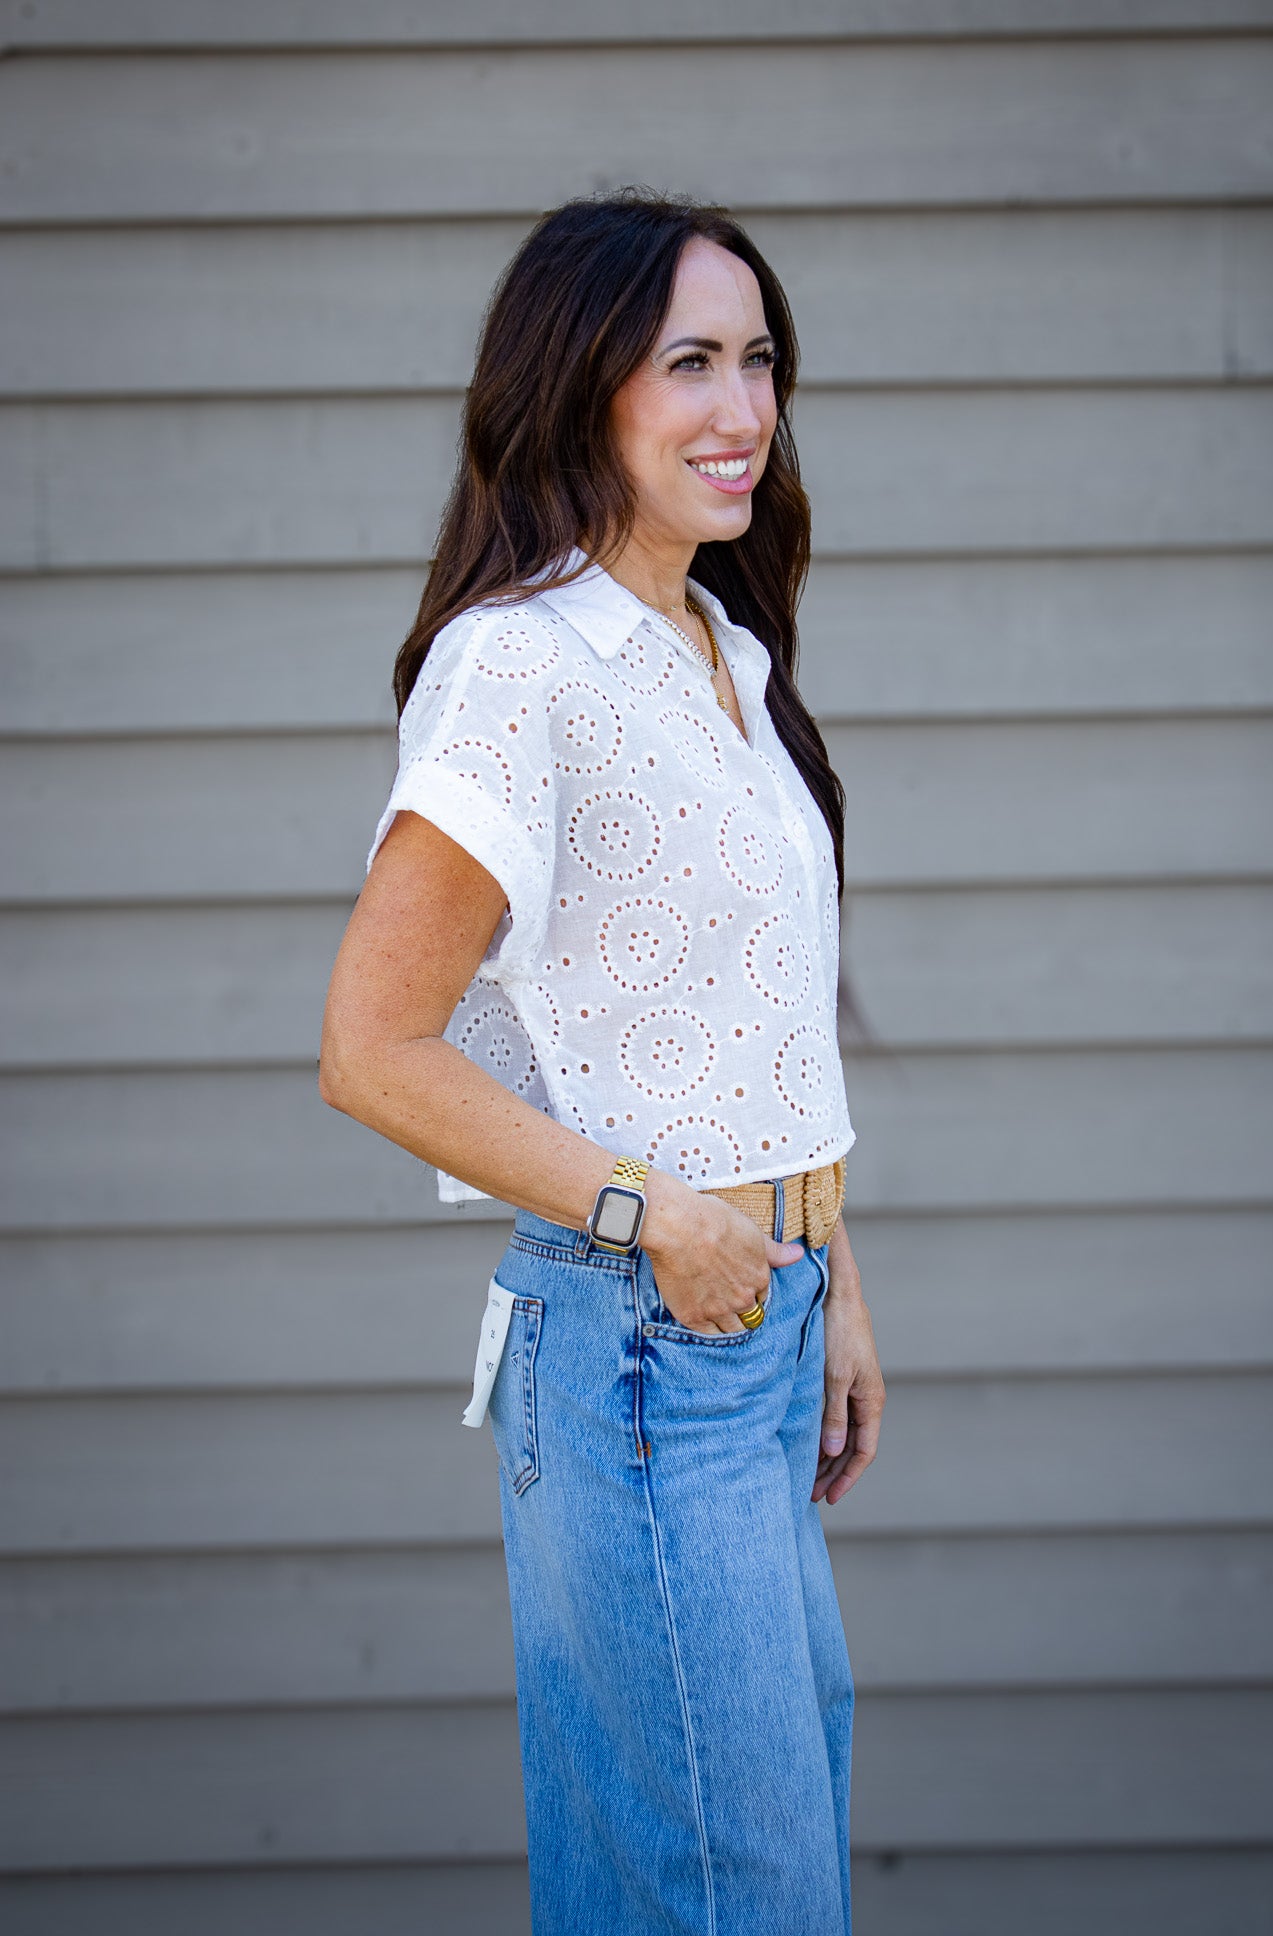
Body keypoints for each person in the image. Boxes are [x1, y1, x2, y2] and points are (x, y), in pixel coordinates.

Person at [320, 188, 885, 1936]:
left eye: (760, 361)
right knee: (735, 1897)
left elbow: (752, 1020)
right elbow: (372, 1045)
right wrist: (663, 1219)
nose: (743, 411)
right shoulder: (521, 669)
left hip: (760, 1320)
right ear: (580, 392)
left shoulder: (719, 650)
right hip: (649, 1337)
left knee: (724, 1878)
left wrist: (833, 1281)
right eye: (690, 364)